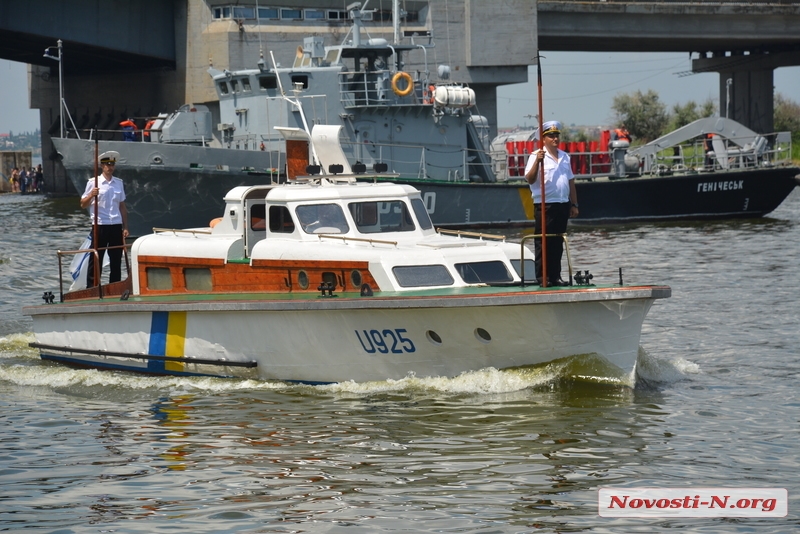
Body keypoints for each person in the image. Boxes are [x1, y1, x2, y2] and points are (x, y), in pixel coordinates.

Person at [524, 120, 578, 286]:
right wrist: (537, 162)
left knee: (557, 242)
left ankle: (555, 276)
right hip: (545, 205)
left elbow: (570, 181)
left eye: (556, 136)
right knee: (543, 242)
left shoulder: (564, 157)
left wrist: (574, 204)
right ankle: (543, 278)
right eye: (551, 136)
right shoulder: (536, 155)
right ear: (544, 139)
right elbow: (529, 178)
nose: (555, 138)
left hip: (562, 204)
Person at [80, 150, 129, 286]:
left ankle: (115, 286)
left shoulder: (119, 183)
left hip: (115, 224)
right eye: (107, 164)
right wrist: (91, 195)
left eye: (112, 164)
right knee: (96, 258)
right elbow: (83, 204)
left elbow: (122, 207)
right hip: (100, 224)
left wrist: (125, 227)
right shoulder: (93, 183)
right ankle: (93, 287)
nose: (110, 167)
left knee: (116, 259)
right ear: (102, 166)